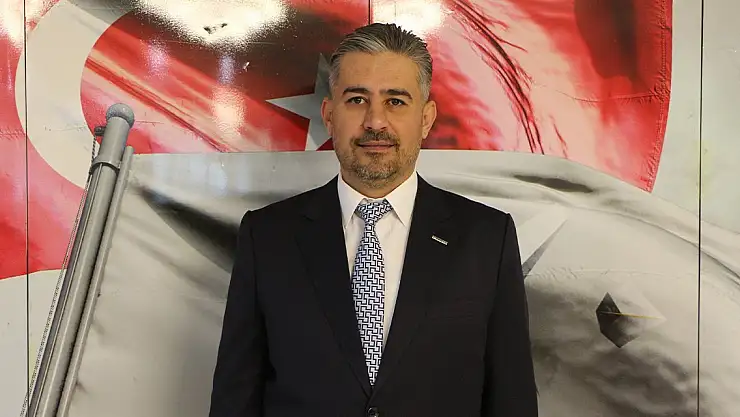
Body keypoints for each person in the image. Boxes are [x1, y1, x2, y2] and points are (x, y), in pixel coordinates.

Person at [208, 22, 538, 416]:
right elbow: (235, 400)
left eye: (395, 101)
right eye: (357, 100)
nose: (375, 121)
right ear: (329, 115)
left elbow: (512, 398)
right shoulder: (267, 237)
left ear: (426, 118)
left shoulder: (487, 238)